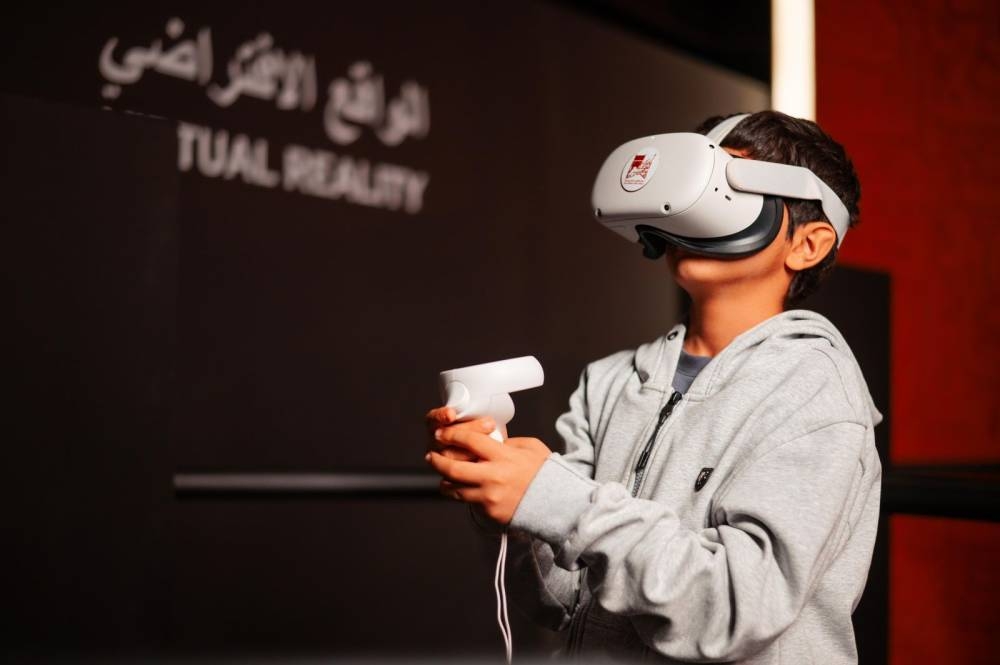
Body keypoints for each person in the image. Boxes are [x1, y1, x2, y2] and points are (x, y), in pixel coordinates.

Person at [423, 110, 882, 664]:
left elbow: (735, 609)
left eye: (728, 190)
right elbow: (565, 601)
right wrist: (512, 506)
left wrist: (556, 500)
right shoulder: (611, 381)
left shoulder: (813, 390)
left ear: (808, 245)